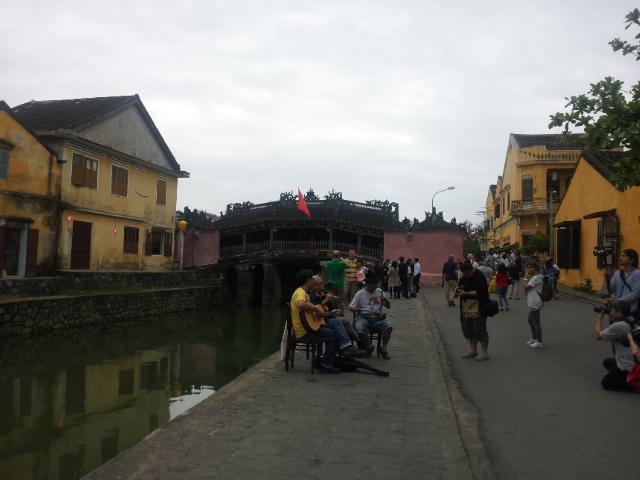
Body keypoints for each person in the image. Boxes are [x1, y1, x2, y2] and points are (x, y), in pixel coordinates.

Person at [290, 269, 340, 373]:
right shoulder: (300, 293)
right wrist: (316, 309)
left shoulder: (303, 292)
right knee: (333, 334)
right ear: (308, 280)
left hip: (307, 328)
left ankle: (324, 359)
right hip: (304, 332)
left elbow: (307, 312)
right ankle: (325, 365)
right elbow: (300, 304)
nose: (313, 281)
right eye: (312, 279)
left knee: (333, 327)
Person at [308, 276, 363, 356]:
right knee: (338, 323)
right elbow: (316, 310)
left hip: (325, 318)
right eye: (319, 284)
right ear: (314, 286)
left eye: (322, 283)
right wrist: (327, 301)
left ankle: (350, 346)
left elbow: (326, 309)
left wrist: (334, 307)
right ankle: (349, 346)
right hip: (319, 321)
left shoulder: (322, 294)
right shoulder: (312, 296)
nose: (322, 286)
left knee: (344, 323)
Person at [350, 271, 393, 359]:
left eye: (376, 284)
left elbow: (388, 307)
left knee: (388, 326)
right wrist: (356, 309)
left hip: (376, 319)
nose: (375, 286)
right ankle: (367, 347)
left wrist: (385, 300)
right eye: (373, 284)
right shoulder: (360, 293)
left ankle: (383, 349)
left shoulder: (379, 292)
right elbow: (351, 306)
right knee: (360, 327)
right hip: (363, 317)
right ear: (367, 284)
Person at [595, 300, 634, 391]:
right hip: (632, 358)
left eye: (612, 310)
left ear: (619, 312)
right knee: (607, 362)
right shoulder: (630, 319)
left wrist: (599, 317)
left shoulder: (620, 325)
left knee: (606, 383)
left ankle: (632, 383)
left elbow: (599, 336)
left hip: (628, 364)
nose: (610, 312)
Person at [454, 261, 490, 361]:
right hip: (467, 306)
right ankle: (473, 351)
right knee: (468, 329)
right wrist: (457, 291)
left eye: (468, 273)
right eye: (465, 274)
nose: (467, 275)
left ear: (472, 270)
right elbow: (459, 286)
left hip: (479, 306)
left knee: (479, 329)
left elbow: (479, 292)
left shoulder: (479, 276)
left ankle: (484, 353)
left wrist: (465, 293)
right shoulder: (464, 277)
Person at [607, 249, 640, 315]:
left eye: (623, 256)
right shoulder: (617, 273)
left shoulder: (637, 274)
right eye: (620, 256)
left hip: (629, 311)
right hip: (616, 309)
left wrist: (619, 300)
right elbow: (612, 289)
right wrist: (607, 277)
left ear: (631, 260)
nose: (620, 258)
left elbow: (636, 294)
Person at [524, 260, 545, 349]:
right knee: (530, 320)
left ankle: (539, 342)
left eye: (530, 268)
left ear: (535, 268)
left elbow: (525, 287)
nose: (529, 269)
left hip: (535, 302)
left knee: (536, 322)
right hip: (534, 301)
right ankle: (534, 338)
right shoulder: (537, 276)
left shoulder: (536, 278)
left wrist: (525, 277)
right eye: (528, 268)